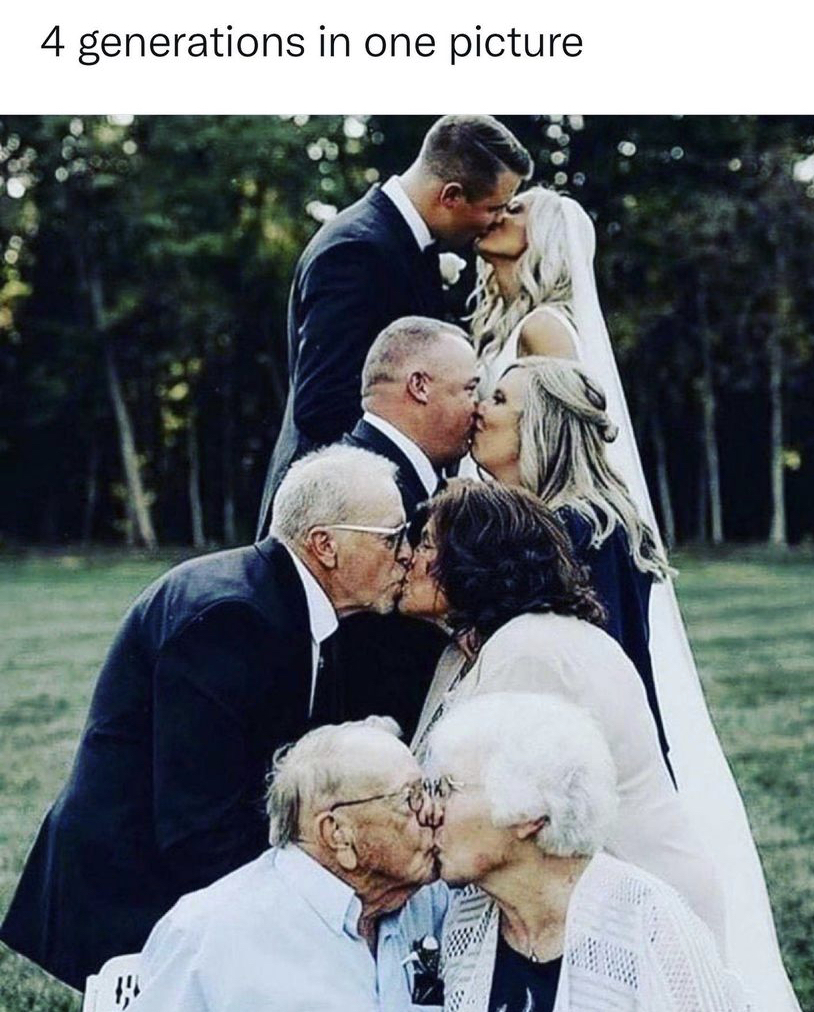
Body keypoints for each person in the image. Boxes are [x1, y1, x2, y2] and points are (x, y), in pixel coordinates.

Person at [467, 183, 801, 1010]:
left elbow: (561, 429)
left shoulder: (544, 334)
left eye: (515, 211)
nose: (495, 215)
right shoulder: (506, 323)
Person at [0, 445, 411, 991]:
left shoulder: (288, 602)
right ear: (325, 545)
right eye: (392, 537)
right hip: (132, 893)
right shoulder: (230, 618)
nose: (407, 554)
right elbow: (199, 823)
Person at [403, 481, 724, 942]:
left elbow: (502, 811)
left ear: (472, 559)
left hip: (636, 913)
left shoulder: (529, 651)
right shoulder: (473, 651)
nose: (408, 557)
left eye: (426, 544)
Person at [257, 114, 532, 537]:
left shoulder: (401, 244)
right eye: (494, 208)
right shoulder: (356, 251)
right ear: (451, 196)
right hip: (333, 518)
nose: (495, 221)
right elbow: (325, 404)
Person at [427, 692, 750, 1012]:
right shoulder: (468, 919)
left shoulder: (648, 923)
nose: (432, 811)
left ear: (528, 813)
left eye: (446, 789)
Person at [131, 717, 446, 1011]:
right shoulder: (209, 933)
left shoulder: (428, 901)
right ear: (338, 834)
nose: (433, 811)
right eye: (411, 798)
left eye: (429, 791)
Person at [471, 357, 673, 768]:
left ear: (539, 425)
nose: (480, 408)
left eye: (499, 399)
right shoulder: (586, 520)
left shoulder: (578, 528)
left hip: (595, 762)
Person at [338, 315, 480, 737]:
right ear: (419, 386)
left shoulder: (402, 474)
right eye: (469, 389)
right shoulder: (359, 484)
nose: (478, 408)